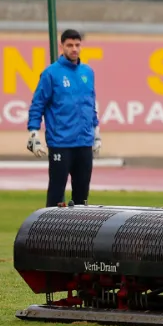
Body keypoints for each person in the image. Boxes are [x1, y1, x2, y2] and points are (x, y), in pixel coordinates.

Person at [26, 29, 101, 207]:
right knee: (56, 192)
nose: (74, 49)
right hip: (61, 142)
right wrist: (34, 134)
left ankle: (79, 233)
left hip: (84, 142)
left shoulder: (87, 72)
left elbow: (90, 104)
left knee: (82, 195)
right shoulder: (51, 74)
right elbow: (38, 104)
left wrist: (96, 132)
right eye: (70, 45)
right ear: (62, 46)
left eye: (77, 45)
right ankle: (48, 232)